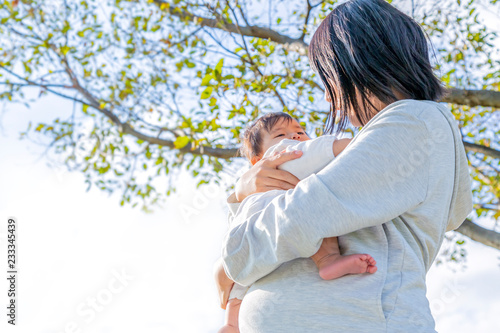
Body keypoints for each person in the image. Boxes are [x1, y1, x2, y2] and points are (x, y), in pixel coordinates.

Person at [216, 0, 473, 331]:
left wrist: (231, 260)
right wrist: (244, 190)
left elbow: (307, 213)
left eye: (329, 77)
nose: (327, 97)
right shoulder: (401, 133)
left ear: (358, 59)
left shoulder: (416, 121)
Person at [215, 112, 377, 333]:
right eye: (281, 134)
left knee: (239, 288)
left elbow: (234, 243)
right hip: (279, 214)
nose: (295, 137)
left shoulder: (250, 191)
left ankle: (231, 323)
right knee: (315, 213)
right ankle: (328, 260)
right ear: (258, 159)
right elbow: (327, 149)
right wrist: (359, 142)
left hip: (253, 233)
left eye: (301, 131)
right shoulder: (287, 155)